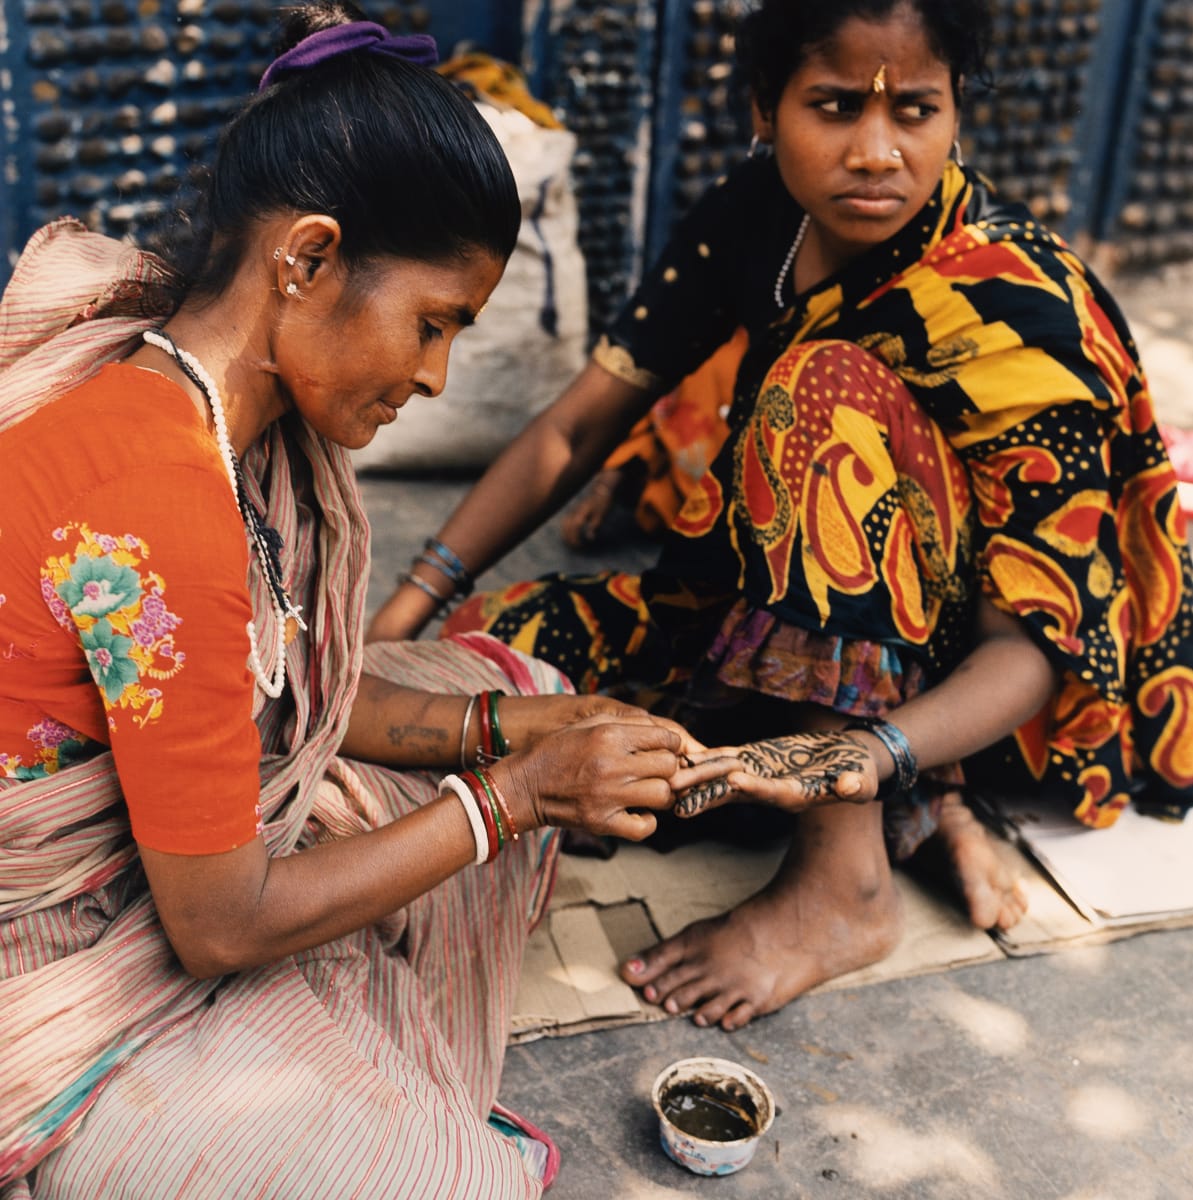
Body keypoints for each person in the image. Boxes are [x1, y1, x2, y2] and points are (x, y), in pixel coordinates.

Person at [366, 0, 1193, 1033]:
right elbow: (572, 434)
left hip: (958, 693)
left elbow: (1026, 654)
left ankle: (841, 882)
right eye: (834, 107)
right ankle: (915, 817)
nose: (875, 151)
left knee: (819, 392)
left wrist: (870, 755)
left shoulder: (1019, 306)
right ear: (765, 109)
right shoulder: (760, 215)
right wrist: (397, 617)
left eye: (916, 111)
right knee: (486, 665)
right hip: (768, 619)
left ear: (954, 116)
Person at [0, 6, 700, 1195]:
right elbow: (216, 925)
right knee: (440, 1180)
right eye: (432, 326)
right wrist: (511, 799)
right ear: (308, 259)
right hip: (56, 940)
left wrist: (517, 733)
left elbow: (280, 687)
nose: (432, 377)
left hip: (175, 848)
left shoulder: (215, 411)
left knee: (519, 683)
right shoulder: (160, 501)